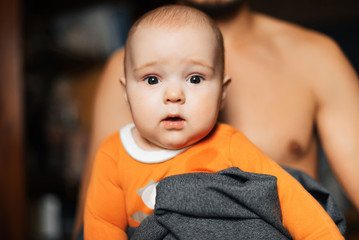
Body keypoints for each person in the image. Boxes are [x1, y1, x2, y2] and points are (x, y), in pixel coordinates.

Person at [74, 0, 359, 238]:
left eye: (195, 78)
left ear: (223, 91)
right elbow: (98, 223)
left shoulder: (317, 58)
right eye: (152, 79)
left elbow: (292, 198)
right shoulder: (122, 69)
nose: (173, 94)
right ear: (127, 91)